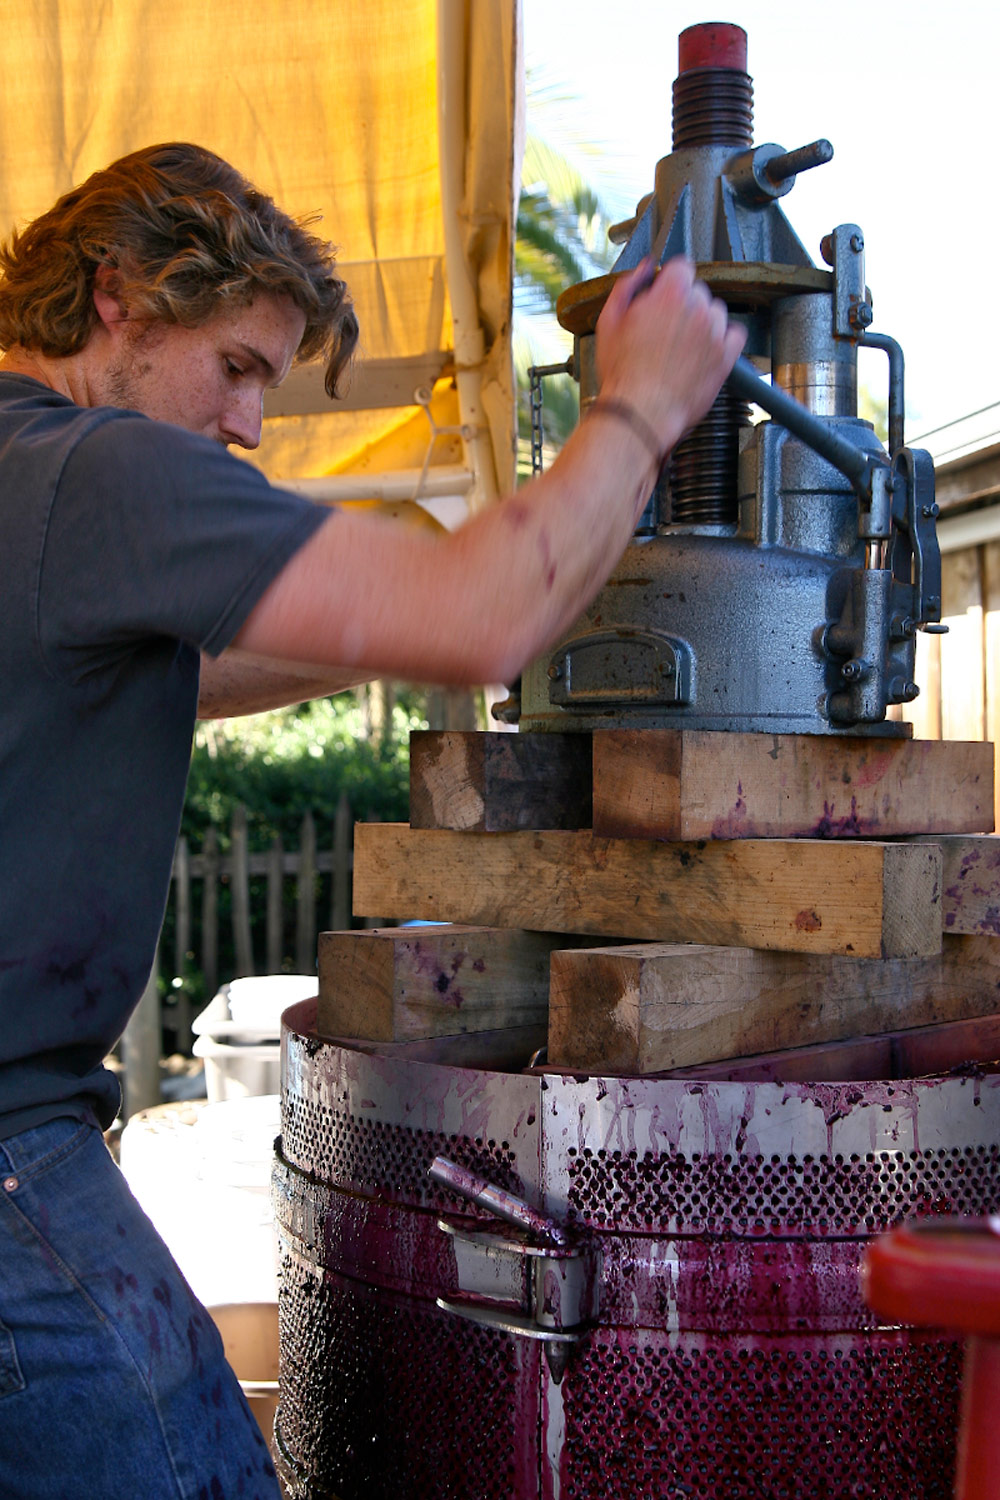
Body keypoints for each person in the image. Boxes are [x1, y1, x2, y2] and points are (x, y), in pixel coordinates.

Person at [0, 142, 744, 1497]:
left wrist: (468, 606)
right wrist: (637, 414)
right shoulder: (95, 469)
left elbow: (197, 666)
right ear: (115, 298)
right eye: (234, 368)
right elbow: (481, 616)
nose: (246, 427)